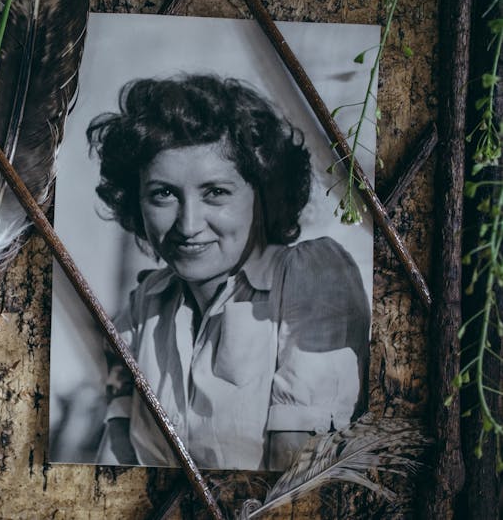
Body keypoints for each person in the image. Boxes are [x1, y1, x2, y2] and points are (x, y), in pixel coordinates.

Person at [88, 75, 370, 471]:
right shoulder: (143, 307)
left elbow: (293, 486)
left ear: (263, 194)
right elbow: (112, 473)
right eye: (163, 194)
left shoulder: (308, 279)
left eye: (215, 192)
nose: (188, 225)